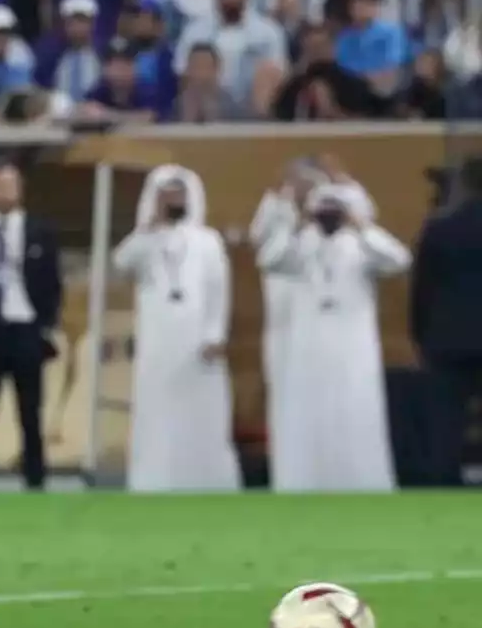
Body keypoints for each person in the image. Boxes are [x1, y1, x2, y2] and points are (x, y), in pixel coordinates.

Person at [256, 177, 410, 492]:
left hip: (353, 346)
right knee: (310, 413)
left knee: (355, 410)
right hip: (309, 346)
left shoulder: (362, 244)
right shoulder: (302, 244)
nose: (328, 214)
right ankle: (307, 480)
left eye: (335, 208)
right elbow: (269, 260)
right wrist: (296, 227)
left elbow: (399, 259)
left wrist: (363, 227)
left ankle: (361, 480)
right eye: (322, 208)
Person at [112, 165, 241, 493]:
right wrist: (147, 229)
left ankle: (207, 479)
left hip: (198, 340)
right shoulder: (144, 241)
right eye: (166, 194)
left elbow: (218, 289)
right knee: (158, 409)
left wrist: (216, 334)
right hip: (158, 340)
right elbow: (121, 264)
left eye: (179, 193)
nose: (173, 199)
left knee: (202, 410)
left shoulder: (207, 240)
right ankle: (155, 478)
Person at [250, 155, 374, 486]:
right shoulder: (278, 216)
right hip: (284, 329)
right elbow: (262, 241)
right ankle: (295, 475)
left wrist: (343, 180)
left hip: (324, 324)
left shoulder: (332, 221)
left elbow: (364, 219)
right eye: (300, 182)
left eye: (312, 182)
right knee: (290, 408)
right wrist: (284, 198)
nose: (306, 188)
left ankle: (340, 472)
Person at [0, 160, 61, 490]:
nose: (6, 192)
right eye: (0, 186)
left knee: (30, 413)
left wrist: (45, 325)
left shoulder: (40, 231)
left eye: (12, 185)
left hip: (24, 328)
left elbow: (52, 282)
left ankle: (35, 481)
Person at [410, 155, 482, 486]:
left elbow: (422, 289)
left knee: (446, 423)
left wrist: (420, 336)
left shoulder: (439, 228)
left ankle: (443, 485)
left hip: (447, 339)